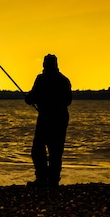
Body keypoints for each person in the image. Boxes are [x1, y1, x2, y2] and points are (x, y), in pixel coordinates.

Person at [24, 53, 72, 188]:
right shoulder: (64, 80)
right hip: (61, 117)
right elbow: (68, 101)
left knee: (38, 148)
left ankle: (42, 178)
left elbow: (30, 98)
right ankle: (53, 180)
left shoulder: (41, 79)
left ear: (44, 65)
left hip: (46, 117)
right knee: (56, 149)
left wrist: (31, 100)